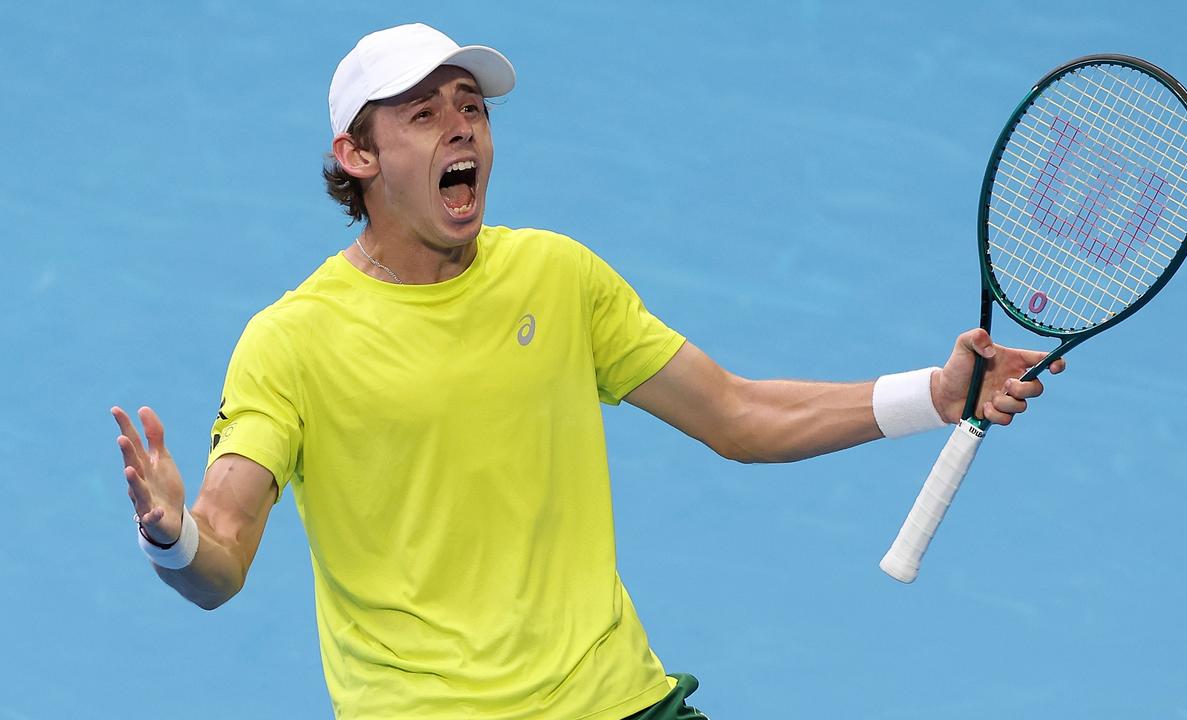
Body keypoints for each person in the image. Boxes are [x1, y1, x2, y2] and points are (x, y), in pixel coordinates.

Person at [111, 23, 1065, 720]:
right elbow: (221, 559)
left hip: (619, 700)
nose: (463, 131)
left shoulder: (558, 277)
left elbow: (736, 415)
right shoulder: (291, 341)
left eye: (472, 109)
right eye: (423, 114)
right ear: (355, 155)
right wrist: (171, 536)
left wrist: (935, 397)